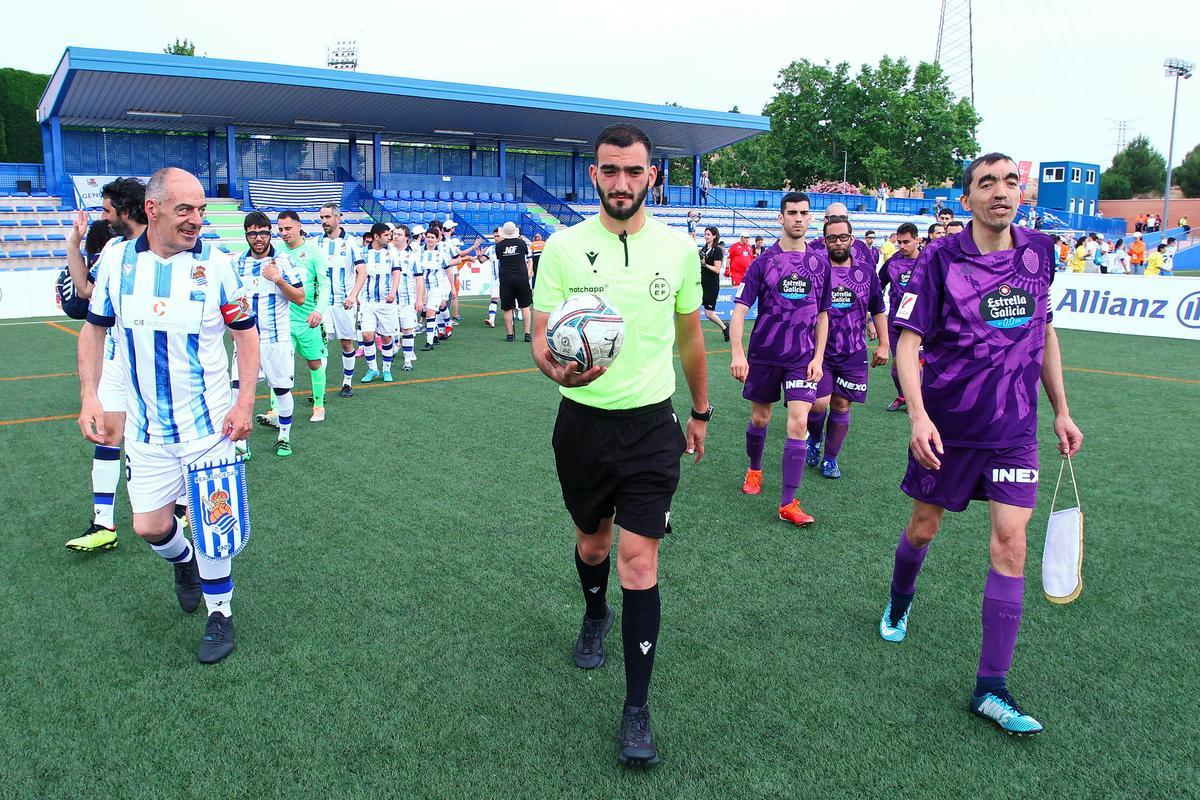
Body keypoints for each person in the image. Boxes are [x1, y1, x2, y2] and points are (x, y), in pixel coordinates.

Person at [878, 152, 1083, 736]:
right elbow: (908, 342)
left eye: (1010, 181)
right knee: (923, 527)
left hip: (1013, 432)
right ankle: (900, 597)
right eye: (986, 182)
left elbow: (1043, 331)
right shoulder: (939, 260)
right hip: (948, 427)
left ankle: (991, 687)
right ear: (966, 197)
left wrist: (1061, 411)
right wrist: (917, 415)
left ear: (1023, 193)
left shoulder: (1040, 253)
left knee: (1010, 544)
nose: (1000, 191)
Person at [530, 123, 709, 768]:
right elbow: (541, 336)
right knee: (593, 542)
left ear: (651, 176)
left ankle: (637, 707)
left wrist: (701, 409)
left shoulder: (680, 250)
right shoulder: (562, 248)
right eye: (610, 171)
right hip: (581, 423)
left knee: (640, 561)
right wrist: (557, 370)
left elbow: (690, 338)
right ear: (594, 173)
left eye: (634, 171)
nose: (622, 183)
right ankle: (592, 611)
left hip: (650, 428)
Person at [78, 167, 261, 664]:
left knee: (214, 526)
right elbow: (94, 330)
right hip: (146, 429)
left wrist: (244, 401)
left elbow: (246, 334)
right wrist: (90, 396)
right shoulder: (117, 261)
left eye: (201, 210)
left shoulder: (218, 265)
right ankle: (184, 564)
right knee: (149, 527)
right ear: (154, 209)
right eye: (185, 209)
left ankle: (220, 614)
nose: (196, 220)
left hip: (208, 428)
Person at [730, 191, 830, 527]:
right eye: (792, 213)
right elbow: (740, 311)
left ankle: (788, 501)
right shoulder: (763, 263)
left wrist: (819, 357)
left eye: (804, 213)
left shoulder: (820, 264)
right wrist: (738, 353)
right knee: (760, 419)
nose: (798, 218)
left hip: (801, 358)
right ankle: (755, 469)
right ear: (780, 218)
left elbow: (823, 315)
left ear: (810, 217)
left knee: (799, 421)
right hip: (765, 354)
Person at [63, 178, 151, 553]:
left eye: (107, 211)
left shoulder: (170, 249)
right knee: (108, 436)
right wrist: (73, 242)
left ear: (127, 211)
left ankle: (178, 508)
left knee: (164, 438)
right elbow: (86, 291)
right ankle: (103, 524)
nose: (103, 218)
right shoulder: (114, 249)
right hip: (117, 360)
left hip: (156, 363)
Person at [804, 215, 889, 478]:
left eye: (843, 237)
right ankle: (815, 437)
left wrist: (884, 343)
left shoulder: (865, 272)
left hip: (853, 351)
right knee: (818, 405)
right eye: (832, 238)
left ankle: (831, 458)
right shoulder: (816, 270)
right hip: (820, 352)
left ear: (852, 239)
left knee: (841, 405)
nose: (838, 242)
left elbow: (877, 308)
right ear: (824, 241)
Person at [231, 211, 305, 460]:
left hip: (277, 340)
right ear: (247, 236)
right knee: (237, 390)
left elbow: (300, 297)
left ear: (269, 233)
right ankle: (242, 443)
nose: (258, 238)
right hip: (246, 341)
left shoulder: (283, 261)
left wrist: (279, 280)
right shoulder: (237, 262)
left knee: (282, 389)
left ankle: (284, 437)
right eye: (252, 233)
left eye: (263, 232)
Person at [274, 210, 330, 422]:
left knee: (314, 363)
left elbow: (325, 285)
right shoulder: (277, 252)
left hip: (309, 320)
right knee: (279, 365)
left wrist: (318, 310)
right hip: (283, 320)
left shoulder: (314, 252)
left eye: (288, 228)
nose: (284, 233)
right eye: (280, 229)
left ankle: (318, 406)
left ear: (299, 226)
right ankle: (274, 410)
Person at [315, 203, 367, 398]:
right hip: (322, 304)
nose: (323, 221)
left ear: (338, 218)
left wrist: (353, 295)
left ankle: (347, 382)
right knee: (321, 343)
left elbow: (362, 271)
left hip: (343, 303)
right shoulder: (316, 242)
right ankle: (319, 388)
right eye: (321, 218)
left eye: (327, 217)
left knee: (346, 343)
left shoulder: (351, 243)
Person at [878, 222, 922, 412]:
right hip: (896, 320)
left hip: (922, 321)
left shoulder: (929, 261)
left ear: (917, 240)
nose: (902, 246)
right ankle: (902, 396)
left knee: (922, 364)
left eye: (907, 242)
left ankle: (919, 402)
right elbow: (877, 286)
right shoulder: (892, 263)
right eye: (900, 243)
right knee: (898, 367)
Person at [357, 223, 402, 383]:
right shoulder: (362, 252)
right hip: (367, 302)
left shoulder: (392, 253)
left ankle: (386, 370)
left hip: (386, 303)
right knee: (367, 334)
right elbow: (357, 275)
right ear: (376, 236)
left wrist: (392, 292)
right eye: (387, 235)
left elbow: (396, 274)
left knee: (386, 338)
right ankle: (372, 369)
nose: (390, 237)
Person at [388, 225, 425, 370]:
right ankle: (390, 352)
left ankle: (407, 360)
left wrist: (420, 299)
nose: (395, 236)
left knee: (407, 328)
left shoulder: (412, 257)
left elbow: (419, 279)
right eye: (394, 234)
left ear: (407, 239)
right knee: (389, 328)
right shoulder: (387, 253)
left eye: (399, 234)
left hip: (407, 298)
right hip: (389, 298)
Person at [495, 221, 533, 342]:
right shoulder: (522, 243)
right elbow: (528, 258)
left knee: (507, 308)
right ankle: (527, 334)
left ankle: (510, 335)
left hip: (506, 278)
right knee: (525, 306)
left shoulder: (499, 246)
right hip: (521, 277)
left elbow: (500, 258)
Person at [417, 227, 453, 350]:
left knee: (430, 311)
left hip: (437, 287)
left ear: (437, 239)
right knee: (428, 312)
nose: (430, 239)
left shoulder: (441, 254)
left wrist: (452, 288)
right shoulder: (419, 252)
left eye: (433, 237)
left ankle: (429, 342)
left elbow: (448, 271)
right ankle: (436, 334)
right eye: (428, 237)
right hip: (423, 287)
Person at [699, 226, 730, 340]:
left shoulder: (716, 250)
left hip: (711, 286)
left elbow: (717, 269)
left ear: (714, 236)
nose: (706, 236)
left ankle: (725, 328)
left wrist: (705, 265)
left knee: (709, 314)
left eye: (708, 234)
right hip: (701, 284)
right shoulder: (704, 249)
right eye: (705, 234)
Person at [483, 227, 502, 327]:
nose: (496, 238)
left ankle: (516, 313)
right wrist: (479, 254)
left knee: (511, 300)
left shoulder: (508, 248)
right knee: (494, 298)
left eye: (498, 236)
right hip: (495, 279)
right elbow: (482, 260)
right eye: (494, 237)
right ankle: (491, 320)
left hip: (508, 278)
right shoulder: (491, 249)